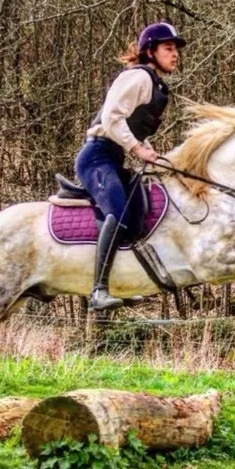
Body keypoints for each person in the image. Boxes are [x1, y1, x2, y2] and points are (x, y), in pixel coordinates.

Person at [75, 21, 184, 310]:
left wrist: (152, 154)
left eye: (176, 50)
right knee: (118, 211)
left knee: (136, 218)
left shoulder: (152, 82)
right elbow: (112, 118)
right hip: (97, 156)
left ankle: (119, 284)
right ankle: (97, 291)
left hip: (114, 157)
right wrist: (137, 148)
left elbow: (133, 131)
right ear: (151, 51)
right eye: (168, 49)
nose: (175, 55)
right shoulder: (138, 78)